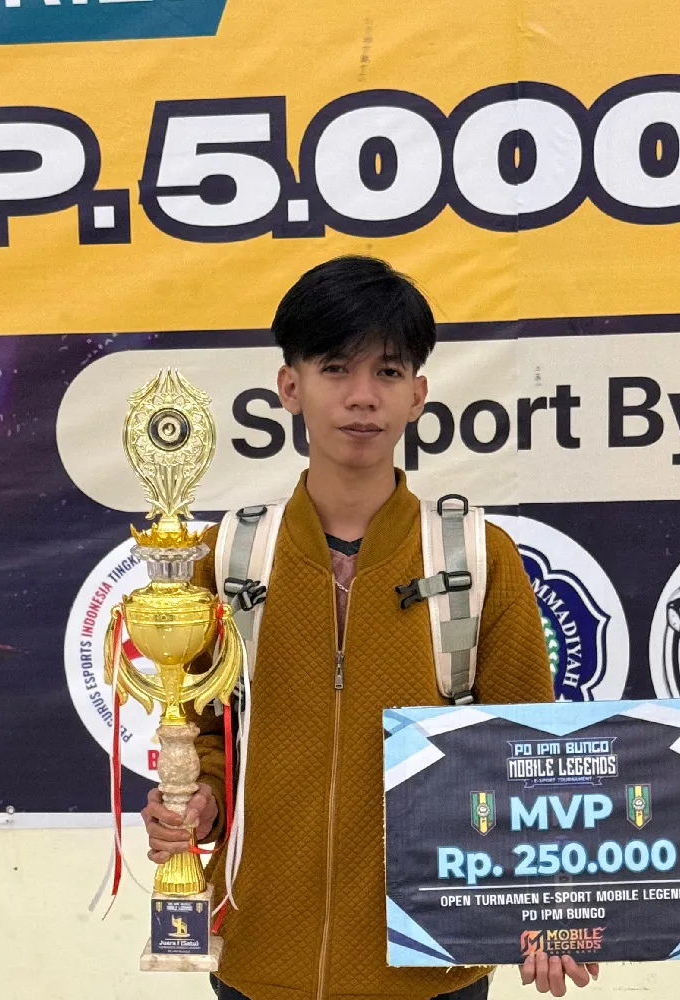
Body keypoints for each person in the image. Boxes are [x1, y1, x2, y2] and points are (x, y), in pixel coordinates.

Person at [142, 256, 599, 999]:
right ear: (290, 386)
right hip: (258, 960)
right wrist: (197, 801)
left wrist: (551, 909)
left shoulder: (478, 556)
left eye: (387, 372)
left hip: (433, 967)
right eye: (335, 368)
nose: (362, 396)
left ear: (418, 393)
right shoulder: (227, 559)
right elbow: (206, 738)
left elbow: (529, 757)